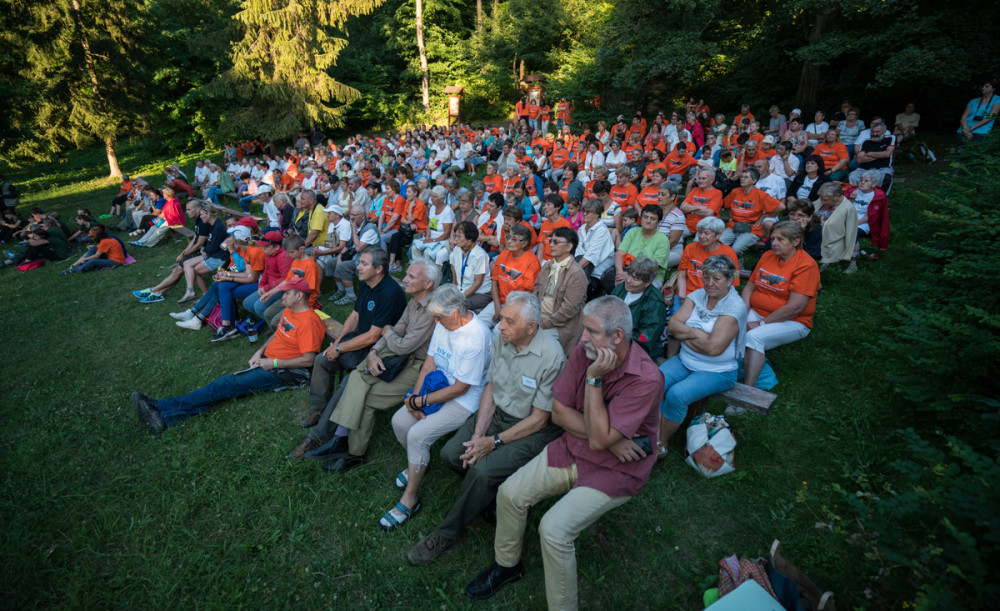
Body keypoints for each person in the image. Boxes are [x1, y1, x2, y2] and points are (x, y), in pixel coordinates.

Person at [464, 296, 662, 608]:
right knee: (509, 493)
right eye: (584, 329)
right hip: (572, 448)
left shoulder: (646, 378)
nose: (582, 337)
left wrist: (595, 381)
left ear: (618, 337)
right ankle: (507, 565)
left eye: (592, 331)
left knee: (553, 530)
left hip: (615, 472)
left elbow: (597, 439)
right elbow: (558, 413)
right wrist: (611, 437)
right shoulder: (585, 353)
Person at [405, 292, 566, 565]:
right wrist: (479, 433)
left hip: (530, 427)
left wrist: (493, 442)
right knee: (451, 454)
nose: (500, 325)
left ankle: (447, 533)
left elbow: (539, 419)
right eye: (501, 318)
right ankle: (486, 499)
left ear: (532, 328)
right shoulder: (502, 338)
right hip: (497, 413)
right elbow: (491, 386)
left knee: (481, 471)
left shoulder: (552, 357)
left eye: (509, 321)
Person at [288, 260, 439, 463]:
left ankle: (345, 447)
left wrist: (385, 333)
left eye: (411, 276)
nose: (404, 279)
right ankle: (336, 437)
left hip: (417, 365)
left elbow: (402, 344)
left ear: (428, 284)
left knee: (359, 392)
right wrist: (374, 353)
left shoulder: (429, 309)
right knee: (353, 378)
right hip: (395, 355)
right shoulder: (412, 301)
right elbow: (392, 333)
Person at [131, 278, 325, 434]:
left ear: (299, 296)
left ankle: (160, 408)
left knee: (225, 385)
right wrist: (259, 352)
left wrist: (272, 362)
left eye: (287, 293)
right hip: (268, 361)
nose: (282, 297)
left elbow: (309, 360)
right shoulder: (289, 311)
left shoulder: (309, 322)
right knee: (226, 390)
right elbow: (278, 333)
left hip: (285, 372)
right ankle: (166, 416)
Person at [381, 284, 494, 531]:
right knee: (399, 422)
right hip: (436, 386)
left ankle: (410, 500)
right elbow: (429, 363)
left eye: (437, 317)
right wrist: (415, 397)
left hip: (463, 399)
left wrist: (420, 402)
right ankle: (418, 463)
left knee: (417, 435)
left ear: (454, 314)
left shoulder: (476, 336)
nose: (434, 321)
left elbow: (460, 388)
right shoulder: (445, 323)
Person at [301, 247, 406, 427]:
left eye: (364, 264)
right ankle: (320, 408)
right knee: (322, 359)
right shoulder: (367, 284)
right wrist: (338, 343)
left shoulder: (390, 292)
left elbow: (374, 336)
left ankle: (333, 421)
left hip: (381, 349)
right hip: (362, 338)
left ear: (379, 269)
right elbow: (354, 315)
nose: (358, 267)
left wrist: (340, 349)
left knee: (350, 381)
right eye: (359, 262)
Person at [658, 255, 745, 454]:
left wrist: (686, 334)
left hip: (717, 370)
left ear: (730, 280)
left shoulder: (734, 306)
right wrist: (701, 335)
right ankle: (652, 432)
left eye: (716, 279)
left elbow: (715, 349)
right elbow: (672, 326)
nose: (709, 283)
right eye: (706, 277)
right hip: (685, 360)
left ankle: (660, 443)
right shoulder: (697, 295)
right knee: (655, 382)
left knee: (677, 395)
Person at [738, 220, 821, 402]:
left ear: (796, 241)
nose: (774, 242)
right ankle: (746, 369)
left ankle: (746, 393)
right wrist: (742, 313)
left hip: (794, 321)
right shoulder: (768, 256)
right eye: (773, 238)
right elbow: (749, 288)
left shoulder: (806, 265)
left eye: (780, 239)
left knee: (754, 337)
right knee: (733, 326)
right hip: (758, 311)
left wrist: (759, 324)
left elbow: (795, 307)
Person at [132, 200, 224, 303]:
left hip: (206, 252)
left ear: (198, 210)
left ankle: (155, 290)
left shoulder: (204, 222)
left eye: (189, 210)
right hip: (203, 251)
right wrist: (183, 252)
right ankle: (157, 292)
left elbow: (199, 243)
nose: (187, 212)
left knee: (178, 270)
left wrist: (186, 253)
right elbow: (195, 238)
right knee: (178, 270)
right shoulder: (200, 219)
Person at [534, 226, 587, 356]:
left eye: (556, 242)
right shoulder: (548, 265)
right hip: (538, 318)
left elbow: (569, 309)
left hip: (560, 326)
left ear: (569, 247)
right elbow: (535, 292)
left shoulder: (576, 273)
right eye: (550, 241)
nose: (551, 245)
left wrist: (544, 324)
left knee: (531, 342)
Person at [479, 224, 541, 328]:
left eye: (514, 239)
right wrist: (498, 306)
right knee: (479, 323)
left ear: (524, 243)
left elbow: (528, 293)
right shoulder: (503, 255)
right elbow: (494, 282)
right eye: (509, 237)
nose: (509, 241)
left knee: (498, 332)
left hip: (519, 307)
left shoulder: (532, 262)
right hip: (499, 303)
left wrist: (506, 310)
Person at [611, 256, 667, 360]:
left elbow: (646, 337)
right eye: (628, 274)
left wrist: (618, 338)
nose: (628, 280)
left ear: (648, 283)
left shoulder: (655, 303)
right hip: (613, 340)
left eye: (635, 279)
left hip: (639, 351)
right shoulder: (621, 288)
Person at [606, 204, 671, 292]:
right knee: (609, 281)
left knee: (627, 290)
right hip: (626, 271)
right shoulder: (633, 232)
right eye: (645, 217)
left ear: (659, 222)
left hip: (649, 278)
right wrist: (620, 273)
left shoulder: (663, 240)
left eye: (652, 218)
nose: (648, 221)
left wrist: (631, 277)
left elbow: (654, 265)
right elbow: (619, 253)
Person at [719, 167, 782, 257]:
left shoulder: (761, 195)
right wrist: (731, 215)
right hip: (734, 225)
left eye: (746, 177)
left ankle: (737, 261)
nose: (742, 179)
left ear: (754, 181)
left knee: (735, 249)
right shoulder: (735, 192)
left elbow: (781, 206)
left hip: (752, 228)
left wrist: (763, 217)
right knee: (719, 245)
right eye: (742, 177)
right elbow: (726, 204)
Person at [329, 205, 381, 306]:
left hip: (370, 260)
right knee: (331, 263)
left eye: (354, 215)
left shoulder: (370, 228)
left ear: (362, 217)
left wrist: (353, 230)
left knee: (342, 266)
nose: (351, 217)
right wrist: (340, 256)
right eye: (350, 214)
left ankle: (351, 296)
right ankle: (341, 290)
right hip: (358, 257)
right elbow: (348, 244)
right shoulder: (357, 226)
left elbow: (358, 248)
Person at [843, 170, 890, 272]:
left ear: (874, 184)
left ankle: (853, 264)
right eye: (861, 180)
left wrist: (853, 224)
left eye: (866, 181)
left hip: (865, 223)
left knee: (853, 232)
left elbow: (872, 216)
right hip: (848, 219)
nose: (862, 182)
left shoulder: (878, 196)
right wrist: (851, 200)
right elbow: (843, 209)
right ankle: (827, 261)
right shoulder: (852, 192)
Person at [449, 221, 493, 312]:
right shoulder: (457, 250)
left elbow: (478, 283)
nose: (456, 239)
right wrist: (454, 288)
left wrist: (462, 297)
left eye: (459, 236)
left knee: (454, 308)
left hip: (480, 293)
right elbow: (454, 270)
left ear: (469, 239)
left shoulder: (480, 255)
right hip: (462, 289)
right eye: (455, 235)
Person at [814, 182, 859, 270]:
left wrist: (820, 221)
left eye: (826, 200)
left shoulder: (848, 208)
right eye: (821, 199)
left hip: (835, 236)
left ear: (837, 197)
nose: (822, 202)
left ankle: (853, 264)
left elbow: (850, 232)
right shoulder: (824, 197)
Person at [848, 120, 896, 188]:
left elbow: (887, 154)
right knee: (853, 176)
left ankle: (881, 196)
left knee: (886, 178)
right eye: (873, 132)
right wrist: (881, 155)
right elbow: (859, 160)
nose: (875, 134)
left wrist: (869, 153)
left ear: (884, 131)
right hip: (864, 169)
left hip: (883, 168)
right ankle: (856, 195)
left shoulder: (891, 138)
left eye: (877, 132)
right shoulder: (866, 142)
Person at [681, 168, 724, 236]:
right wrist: (699, 207)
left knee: (699, 243)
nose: (700, 181)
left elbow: (708, 213)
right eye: (699, 178)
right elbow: (682, 207)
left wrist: (691, 210)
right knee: (672, 236)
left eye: (703, 179)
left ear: (711, 180)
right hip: (688, 226)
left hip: (706, 228)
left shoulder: (717, 193)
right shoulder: (695, 190)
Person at [957, 80, 1000, 146]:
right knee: (959, 154)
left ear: (993, 89)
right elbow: (963, 117)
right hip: (963, 131)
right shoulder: (973, 101)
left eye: (986, 86)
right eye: (983, 86)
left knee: (974, 154)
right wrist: (965, 130)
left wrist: (971, 128)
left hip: (981, 132)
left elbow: (991, 117)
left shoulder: (997, 100)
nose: (983, 88)